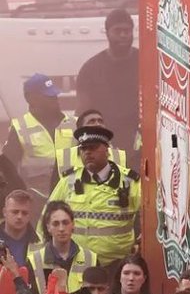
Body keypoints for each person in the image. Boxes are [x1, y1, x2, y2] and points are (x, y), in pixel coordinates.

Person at [46, 124, 140, 265]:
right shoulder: (69, 181)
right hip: (76, 263)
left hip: (115, 264)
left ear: (107, 150)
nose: (88, 152)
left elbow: (150, 218)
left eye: (93, 147)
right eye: (83, 148)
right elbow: (47, 216)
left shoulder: (129, 181)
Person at [74, 12, 140, 155]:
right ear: (107, 33)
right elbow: (82, 112)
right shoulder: (91, 69)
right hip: (105, 141)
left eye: (127, 31)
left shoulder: (145, 62)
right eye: (118, 31)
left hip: (139, 140)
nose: (123, 35)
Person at [3, 76, 77, 202]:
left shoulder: (73, 123)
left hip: (70, 197)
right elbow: (8, 169)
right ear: (30, 98)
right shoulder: (20, 127)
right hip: (35, 200)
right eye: (48, 96)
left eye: (54, 94)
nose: (54, 99)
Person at [25, 202, 96, 294]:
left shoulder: (91, 259)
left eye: (65, 223)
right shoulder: (34, 261)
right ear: (48, 227)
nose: (61, 228)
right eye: (56, 224)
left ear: (73, 225)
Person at [55, 108, 130, 182]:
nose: (98, 124)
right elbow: (55, 191)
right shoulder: (63, 157)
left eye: (100, 121)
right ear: (81, 129)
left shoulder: (120, 156)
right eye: (92, 121)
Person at [0, 189, 37, 269]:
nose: (19, 216)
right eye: (15, 212)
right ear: (4, 212)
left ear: (30, 215)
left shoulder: (41, 244)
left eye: (24, 213)